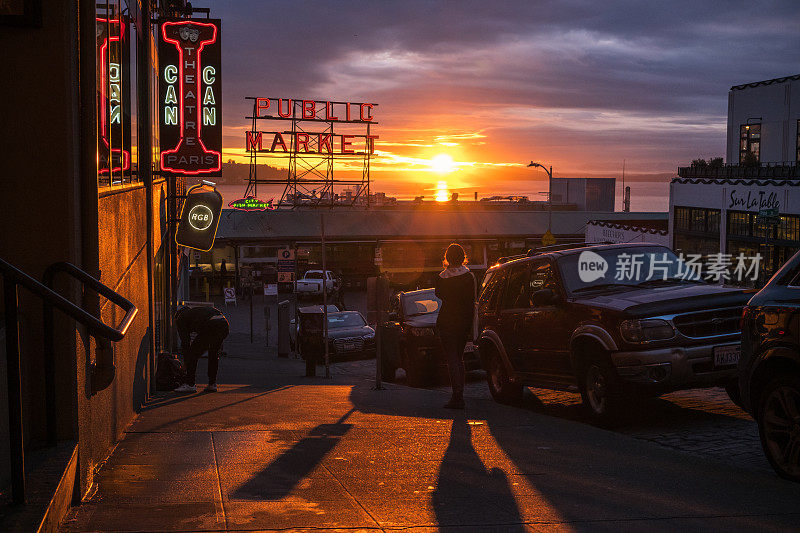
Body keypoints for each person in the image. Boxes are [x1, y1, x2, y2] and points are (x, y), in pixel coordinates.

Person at [434, 243, 476, 409]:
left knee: (451, 359)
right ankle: (460, 395)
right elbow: (471, 302)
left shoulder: (441, 278)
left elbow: (439, 294)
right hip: (463, 322)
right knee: (459, 358)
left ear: (447, 258)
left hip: (446, 321)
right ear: (463, 257)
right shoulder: (469, 277)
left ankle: (457, 396)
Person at [174, 305, 229, 393]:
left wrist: (186, 363)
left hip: (211, 324)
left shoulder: (181, 319)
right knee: (213, 354)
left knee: (193, 354)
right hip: (224, 324)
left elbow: (185, 344)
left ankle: (190, 384)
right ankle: (212, 384)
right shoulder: (195, 312)